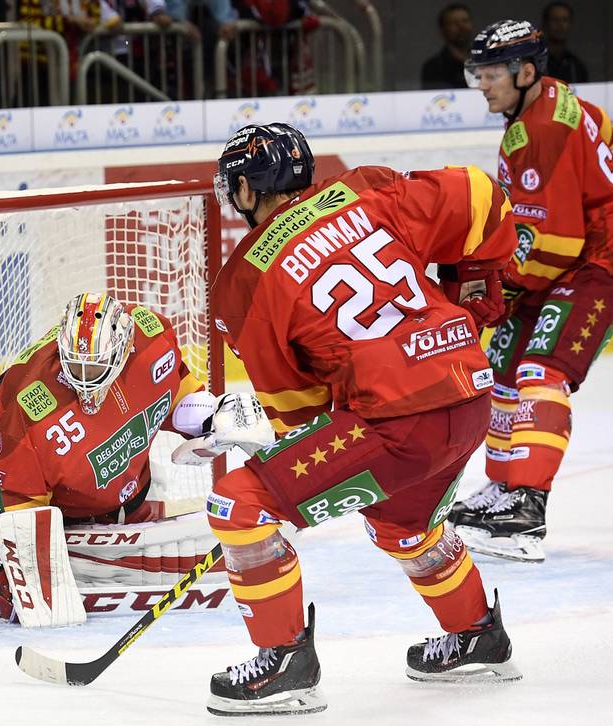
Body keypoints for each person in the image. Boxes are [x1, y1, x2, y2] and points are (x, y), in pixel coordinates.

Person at [203, 123, 520, 715]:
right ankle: (477, 634)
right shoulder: (365, 189)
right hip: (469, 393)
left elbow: (298, 411)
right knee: (403, 525)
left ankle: (284, 663)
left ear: (245, 190)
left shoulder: (244, 280)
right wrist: (473, 295)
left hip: (400, 421)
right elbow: (483, 195)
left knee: (239, 505)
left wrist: (280, 476)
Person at [0, 292, 272, 627]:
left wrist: (213, 418)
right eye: (75, 365)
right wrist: (18, 548)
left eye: (95, 366)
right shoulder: (28, 404)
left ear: (123, 349)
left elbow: (176, 390)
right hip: (69, 528)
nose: (84, 378)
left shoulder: (151, 337)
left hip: (134, 500)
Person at [451, 19, 613, 562]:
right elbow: (605, 135)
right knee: (502, 364)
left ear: (526, 72)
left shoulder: (541, 130)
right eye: (477, 72)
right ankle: (503, 487)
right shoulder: (549, 104)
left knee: (541, 371)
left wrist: (505, 287)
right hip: (563, 261)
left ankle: (527, 506)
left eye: (491, 73)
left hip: (598, 264)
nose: (481, 84)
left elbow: (559, 241)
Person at [420, 3, 474, 90]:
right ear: (443, 30)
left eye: (465, 21)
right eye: (454, 23)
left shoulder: (485, 60)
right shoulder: (434, 67)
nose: (461, 26)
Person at [541, 2, 587, 84]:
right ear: (545, 24)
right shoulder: (536, 62)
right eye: (555, 20)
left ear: (570, 24)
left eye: (565, 20)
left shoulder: (576, 66)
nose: (560, 25)